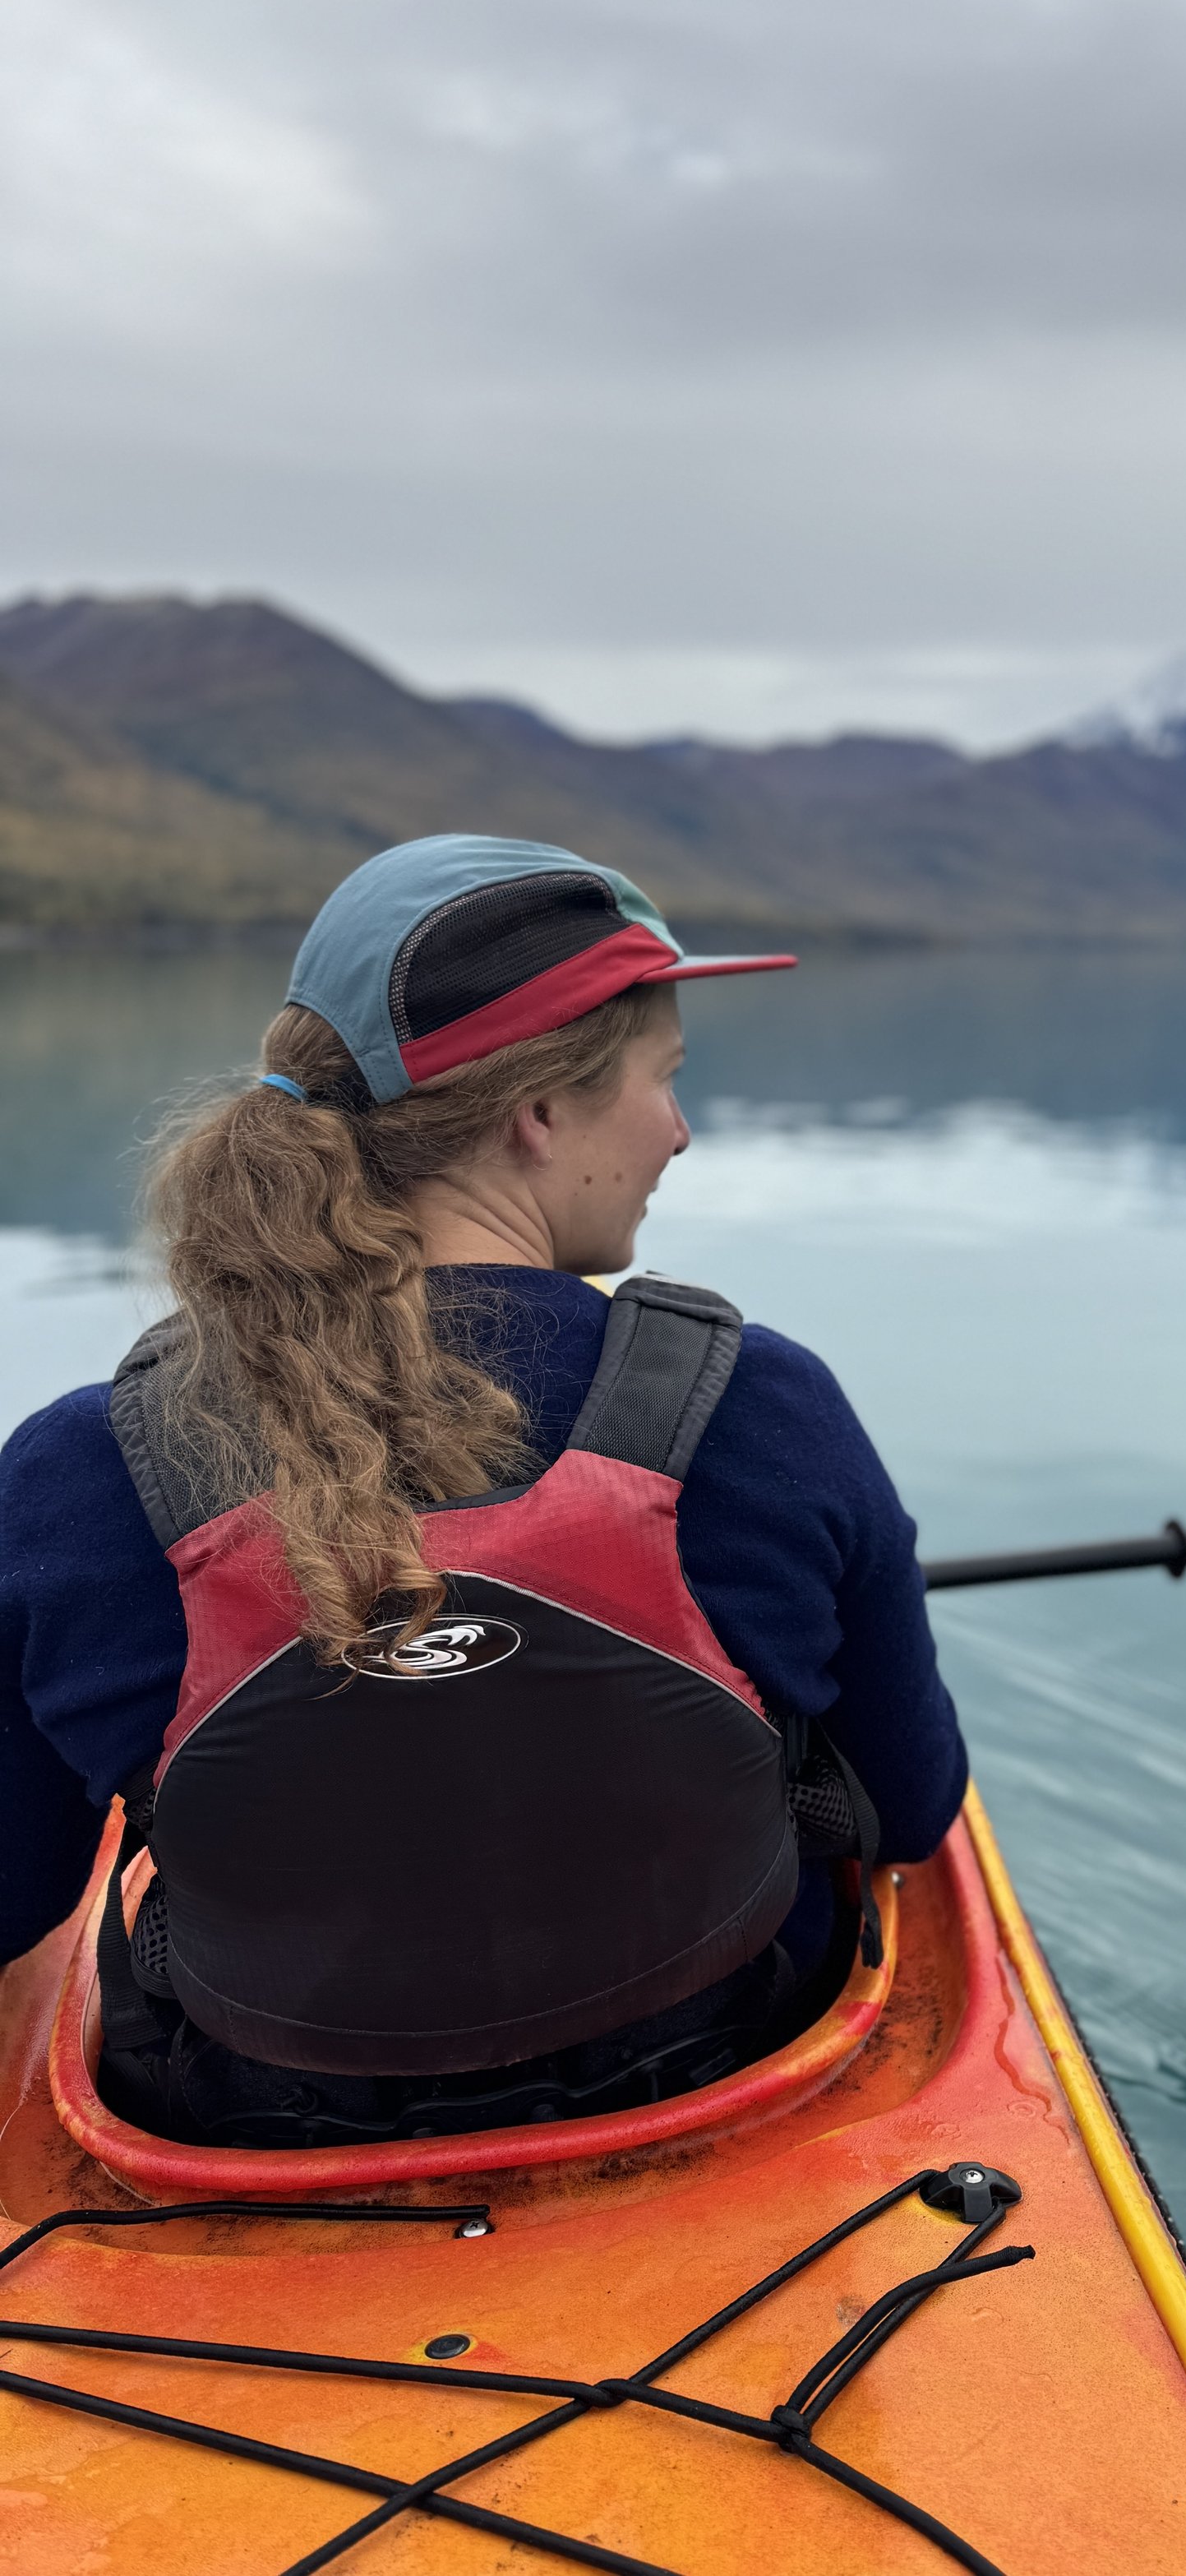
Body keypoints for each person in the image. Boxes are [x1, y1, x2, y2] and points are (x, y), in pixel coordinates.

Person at [0, 835, 967, 2145]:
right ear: (541, 1115)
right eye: (664, 1081)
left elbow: (15, 1901)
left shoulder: (75, 1475)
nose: (679, 1131)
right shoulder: (763, 1410)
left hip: (251, 2144)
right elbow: (911, 1810)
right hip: (722, 2095)